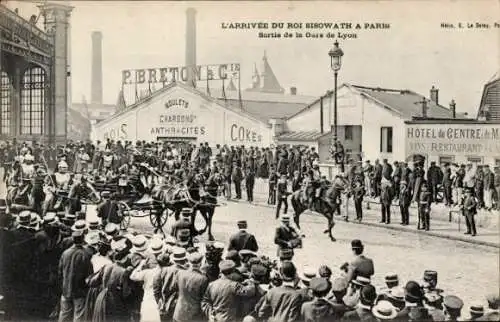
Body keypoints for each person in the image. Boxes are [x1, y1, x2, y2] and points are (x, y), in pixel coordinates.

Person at [58, 230, 94, 322]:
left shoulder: (65, 253)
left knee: (64, 314)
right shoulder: (86, 254)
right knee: (79, 315)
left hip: (66, 288)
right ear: (83, 239)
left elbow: (60, 271)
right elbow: (89, 274)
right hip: (79, 290)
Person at [173, 252, 209, 322]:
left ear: (189, 262)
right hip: (194, 315)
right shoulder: (203, 278)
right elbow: (204, 298)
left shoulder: (180, 273)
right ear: (200, 264)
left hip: (179, 312)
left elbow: (175, 288)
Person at [130, 258, 161, 322]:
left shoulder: (147, 272)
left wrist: (140, 265)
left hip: (148, 298)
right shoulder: (162, 270)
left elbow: (132, 276)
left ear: (151, 264)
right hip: (159, 298)